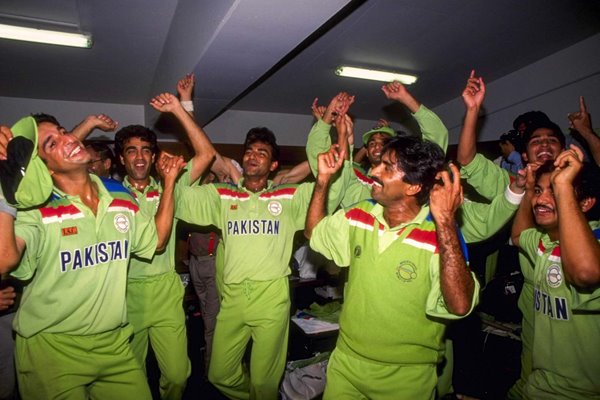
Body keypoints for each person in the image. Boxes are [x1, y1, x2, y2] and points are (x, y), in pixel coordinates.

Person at [0, 113, 182, 399]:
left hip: (114, 344)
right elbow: (5, 259)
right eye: (52, 143)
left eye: (63, 131)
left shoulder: (120, 197)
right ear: (44, 169)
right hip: (52, 350)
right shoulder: (36, 211)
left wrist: (169, 183)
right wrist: (4, 191)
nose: (69, 138)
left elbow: (157, 242)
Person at [173, 118, 351, 399]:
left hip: (271, 298)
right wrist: (175, 175)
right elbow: (180, 199)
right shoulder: (223, 195)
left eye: (262, 153)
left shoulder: (289, 195)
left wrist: (342, 144)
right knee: (219, 374)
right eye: (250, 152)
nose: (253, 156)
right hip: (233, 298)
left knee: (264, 380)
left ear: (273, 166)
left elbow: (330, 193)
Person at [305, 135, 479, 399]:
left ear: (412, 187)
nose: (374, 170)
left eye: (387, 167)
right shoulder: (360, 214)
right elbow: (314, 233)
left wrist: (444, 220)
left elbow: (459, 305)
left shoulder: (441, 237)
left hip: (406, 376)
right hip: (347, 363)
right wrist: (322, 181)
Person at [108, 92, 217, 400]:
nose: (140, 157)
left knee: (178, 375)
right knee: (132, 378)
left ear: (154, 157)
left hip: (166, 293)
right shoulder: (110, 196)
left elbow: (207, 154)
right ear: (121, 158)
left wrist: (178, 111)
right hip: (126, 294)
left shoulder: (173, 188)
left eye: (146, 151)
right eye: (131, 151)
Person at [511, 147, 600, 399]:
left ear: (585, 203)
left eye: (556, 192)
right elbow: (518, 236)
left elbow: (585, 273)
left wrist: (562, 185)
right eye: (540, 191)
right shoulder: (544, 242)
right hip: (540, 385)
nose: (541, 200)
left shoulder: (594, 242)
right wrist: (529, 191)